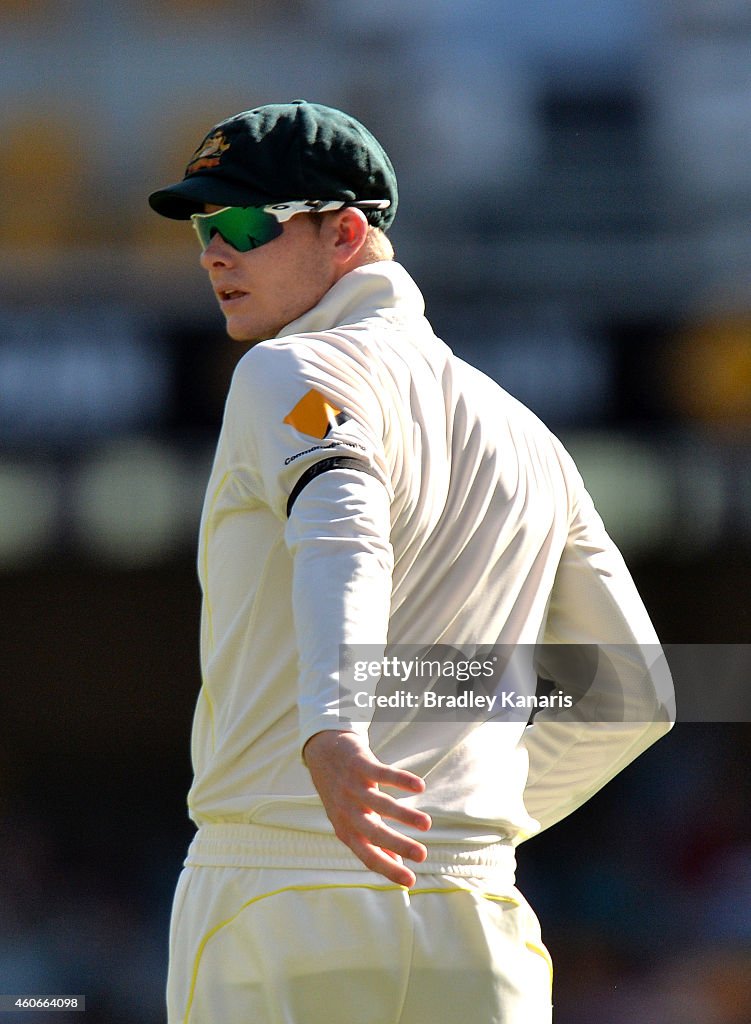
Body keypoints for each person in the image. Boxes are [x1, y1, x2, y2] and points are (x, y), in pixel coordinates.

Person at [148, 99, 674, 1024]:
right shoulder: (526, 432)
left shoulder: (290, 370)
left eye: (239, 223)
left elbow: (341, 526)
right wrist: (451, 824)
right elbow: (627, 693)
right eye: (202, 227)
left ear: (345, 232)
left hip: (282, 894)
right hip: (478, 918)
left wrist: (335, 734)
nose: (211, 254)